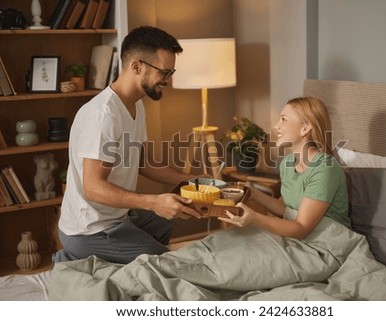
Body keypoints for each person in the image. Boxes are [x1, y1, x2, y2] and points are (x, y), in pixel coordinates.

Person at [54, 26, 202, 264]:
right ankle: (74, 258)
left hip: (118, 218)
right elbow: (93, 188)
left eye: (171, 71)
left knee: (168, 219)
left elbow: (142, 162)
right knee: (167, 264)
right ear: (136, 66)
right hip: (89, 230)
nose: (169, 79)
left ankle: (115, 256)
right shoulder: (102, 115)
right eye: (164, 72)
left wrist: (191, 181)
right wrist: (154, 202)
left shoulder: (135, 105)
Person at [219, 97, 351, 238]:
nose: (276, 126)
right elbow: (286, 211)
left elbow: (301, 229)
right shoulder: (287, 164)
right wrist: (251, 193)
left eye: (284, 119)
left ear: (305, 128)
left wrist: (255, 218)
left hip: (325, 243)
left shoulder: (324, 169)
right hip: (295, 237)